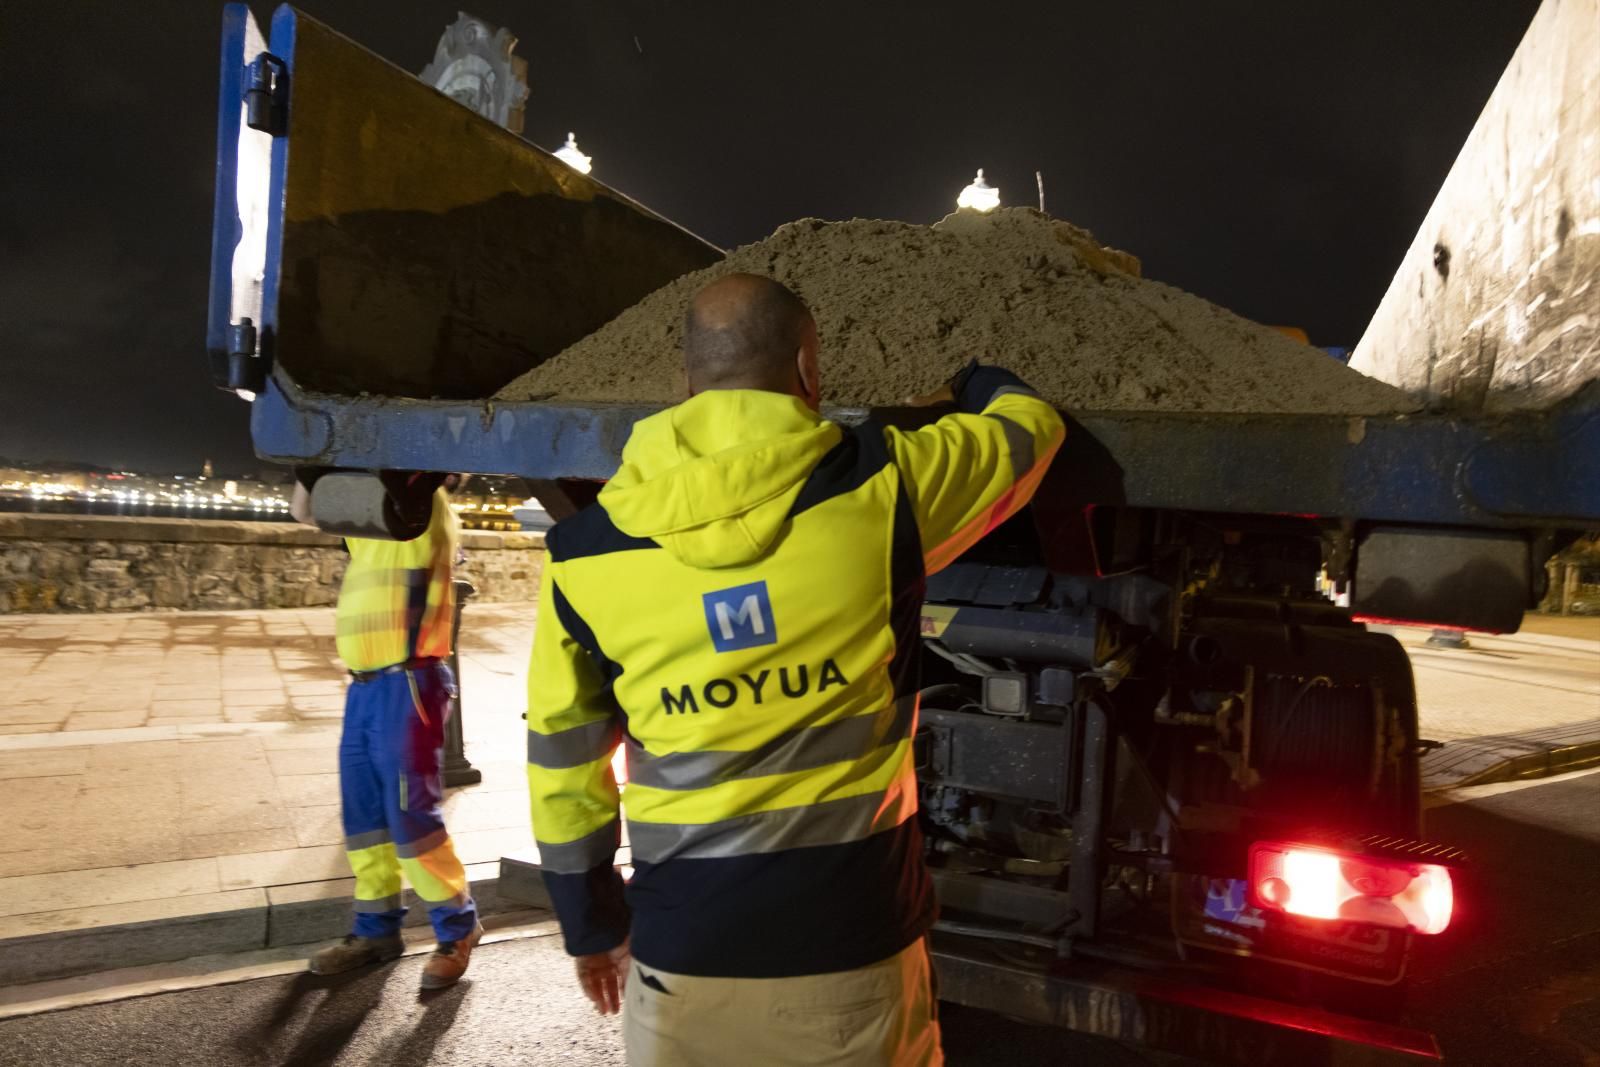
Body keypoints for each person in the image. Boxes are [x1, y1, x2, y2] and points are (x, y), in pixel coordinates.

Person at [525, 273, 1065, 1065]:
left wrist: (592, 926)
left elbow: (564, 770)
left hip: (682, 963)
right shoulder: (883, 487)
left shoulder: (584, 556)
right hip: (851, 955)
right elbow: (1031, 431)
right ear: (809, 370)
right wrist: (976, 376)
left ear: (687, 381)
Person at [292, 473, 483, 990]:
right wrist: (311, 469)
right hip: (365, 685)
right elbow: (303, 511)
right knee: (365, 817)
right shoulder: (373, 518)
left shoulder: (423, 509)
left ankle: (457, 926)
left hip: (409, 681)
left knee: (409, 815)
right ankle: (375, 930)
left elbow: (404, 484)